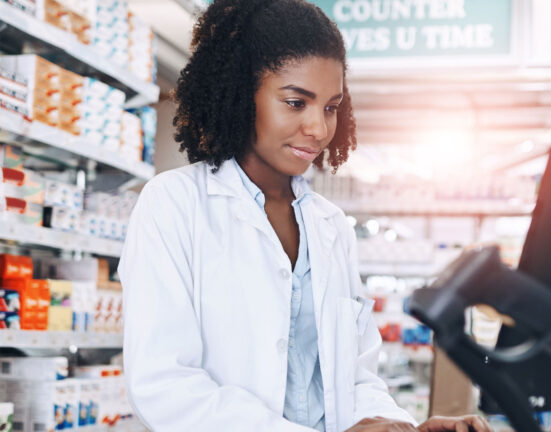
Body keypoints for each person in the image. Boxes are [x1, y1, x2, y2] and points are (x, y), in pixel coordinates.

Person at [118, 1, 493, 431]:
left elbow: (354, 377)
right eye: (296, 102)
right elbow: (165, 387)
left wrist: (396, 425)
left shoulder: (330, 225)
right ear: (242, 94)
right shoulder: (174, 204)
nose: (318, 128)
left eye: (331, 107)